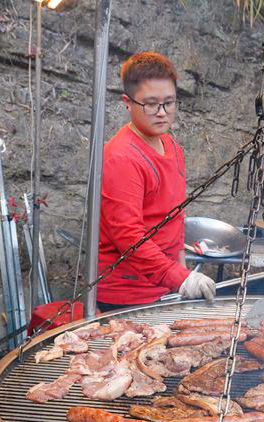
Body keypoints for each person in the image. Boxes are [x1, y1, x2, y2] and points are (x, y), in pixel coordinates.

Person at [95, 51, 215, 311]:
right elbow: (129, 237)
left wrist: (181, 271)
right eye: (150, 104)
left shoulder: (172, 147)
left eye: (169, 103)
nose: (162, 113)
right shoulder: (121, 157)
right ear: (127, 102)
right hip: (126, 294)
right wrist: (180, 277)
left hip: (163, 288)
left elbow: (173, 218)